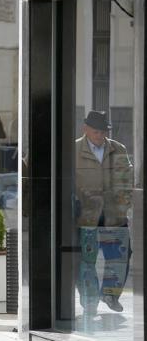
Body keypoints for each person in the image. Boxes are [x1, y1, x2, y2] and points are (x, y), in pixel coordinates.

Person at [74, 110, 133, 315]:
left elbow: (126, 180)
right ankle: (89, 300)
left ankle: (110, 295)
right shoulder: (73, 150)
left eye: (103, 132)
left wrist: (123, 205)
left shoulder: (118, 149)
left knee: (119, 256)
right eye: (96, 131)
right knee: (85, 259)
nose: (100, 135)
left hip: (113, 214)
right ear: (86, 129)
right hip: (86, 215)